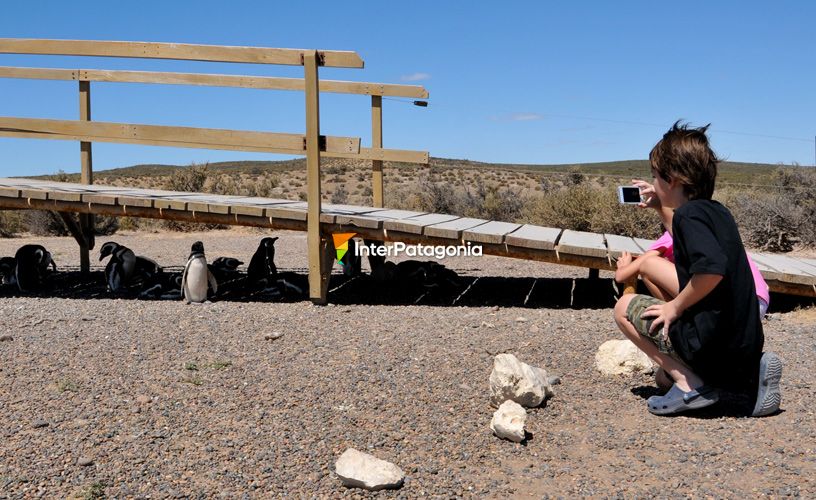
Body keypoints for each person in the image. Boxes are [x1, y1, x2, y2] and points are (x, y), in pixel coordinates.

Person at [613, 121, 782, 417]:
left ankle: (689, 385)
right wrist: (660, 205)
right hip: (744, 343)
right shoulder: (717, 212)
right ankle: (750, 379)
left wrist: (675, 307)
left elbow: (711, 271)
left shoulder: (688, 216)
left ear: (674, 178)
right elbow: (696, 253)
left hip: (710, 345)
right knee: (662, 377)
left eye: (655, 176)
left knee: (624, 307)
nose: (653, 183)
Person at [614, 182, 770, 318]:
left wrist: (623, 266)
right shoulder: (710, 225)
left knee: (648, 267)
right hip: (755, 301)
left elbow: (627, 273)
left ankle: (678, 316)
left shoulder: (670, 237)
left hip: (734, 305)